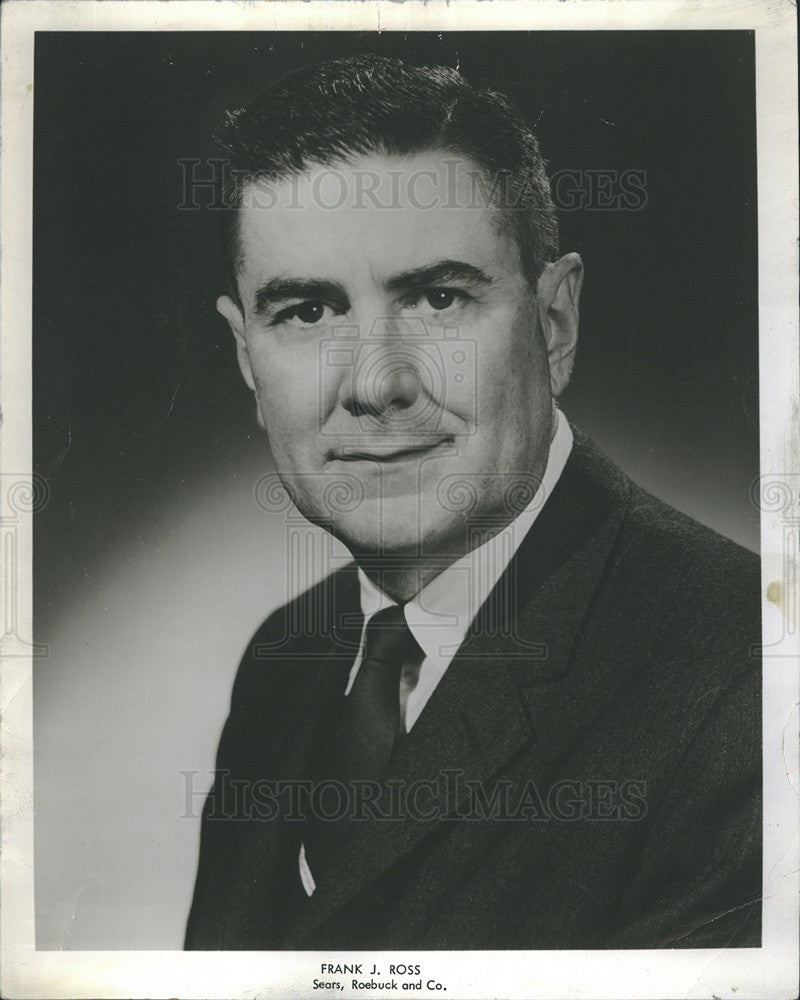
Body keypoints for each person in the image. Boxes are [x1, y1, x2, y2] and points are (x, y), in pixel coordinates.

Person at [185, 54, 761, 951]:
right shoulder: (286, 662)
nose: (376, 383)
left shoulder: (747, 683)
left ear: (555, 322)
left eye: (438, 297)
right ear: (247, 358)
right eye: (306, 312)